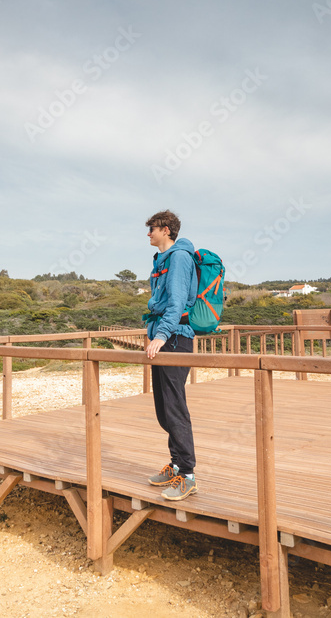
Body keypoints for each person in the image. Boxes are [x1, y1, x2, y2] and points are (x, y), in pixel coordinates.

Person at [143, 210, 199, 501]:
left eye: (151, 228)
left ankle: (187, 475)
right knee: (164, 408)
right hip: (164, 339)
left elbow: (176, 303)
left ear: (165, 229)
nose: (148, 234)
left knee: (175, 408)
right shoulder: (161, 260)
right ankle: (176, 463)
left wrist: (162, 336)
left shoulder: (178, 258)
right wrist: (153, 334)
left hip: (176, 340)